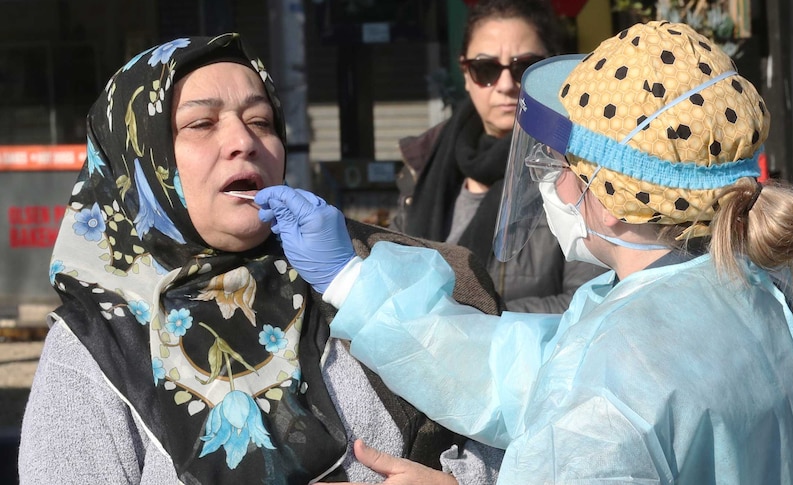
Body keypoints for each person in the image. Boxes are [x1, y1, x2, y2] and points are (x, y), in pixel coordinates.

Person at [256, 22, 793, 484]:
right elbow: (513, 374)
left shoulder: (618, 366)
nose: (554, 185)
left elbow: (585, 409)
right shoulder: (747, 294)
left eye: (566, 168)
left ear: (618, 200)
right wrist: (351, 281)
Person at [18, 33, 505, 484]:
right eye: (201, 124)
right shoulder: (95, 341)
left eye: (261, 121)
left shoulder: (370, 275)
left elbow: (521, 433)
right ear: (139, 160)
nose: (243, 142)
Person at [392, 0, 603, 313]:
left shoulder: (578, 168)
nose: (506, 85)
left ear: (550, 71)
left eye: (524, 67)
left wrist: (472, 319)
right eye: (486, 69)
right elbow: (393, 281)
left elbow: (591, 302)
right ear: (465, 73)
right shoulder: (424, 164)